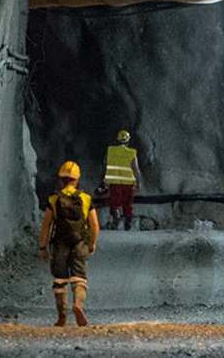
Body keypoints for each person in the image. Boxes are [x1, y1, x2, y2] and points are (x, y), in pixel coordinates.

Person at [38, 161, 100, 327]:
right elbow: (95, 225)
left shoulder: (54, 199)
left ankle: (62, 317)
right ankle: (78, 304)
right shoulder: (85, 199)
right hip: (80, 243)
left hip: (60, 243)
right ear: (77, 179)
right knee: (79, 278)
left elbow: (46, 225)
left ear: (61, 179)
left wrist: (43, 247)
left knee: (60, 280)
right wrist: (92, 243)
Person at [103, 129, 142, 230]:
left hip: (114, 182)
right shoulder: (131, 153)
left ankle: (116, 216)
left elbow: (106, 166)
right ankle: (127, 224)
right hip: (128, 183)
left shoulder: (111, 150)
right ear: (128, 141)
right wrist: (139, 182)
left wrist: (105, 182)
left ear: (117, 140)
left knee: (114, 202)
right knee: (128, 204)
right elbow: (136, 168)